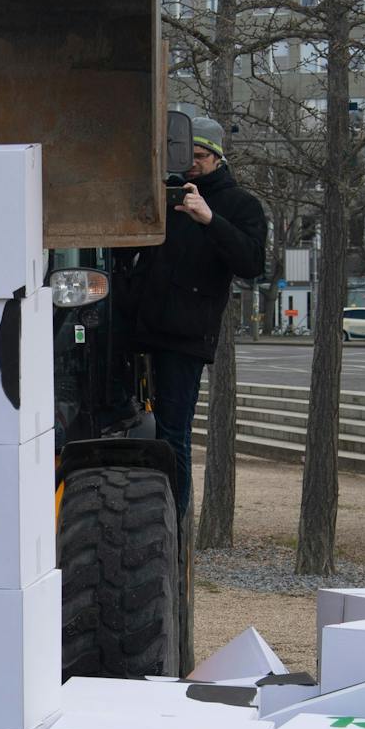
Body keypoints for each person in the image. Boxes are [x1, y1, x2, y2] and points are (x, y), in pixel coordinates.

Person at [121, 117, 268, 522]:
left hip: (185, 335)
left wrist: (209, 220)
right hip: (138, 326)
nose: (191, 165)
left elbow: (253, 262)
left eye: (200, 156)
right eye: (185, 156)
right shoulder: (164, 193)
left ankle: (173, 525)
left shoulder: (240, 205)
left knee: (173, 434)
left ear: (219, 157)